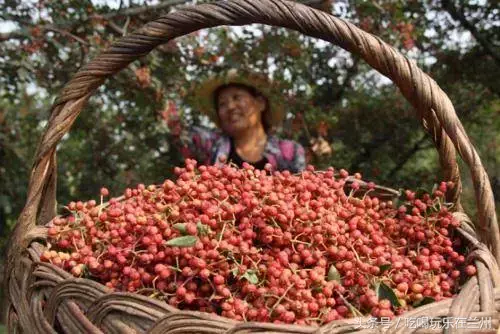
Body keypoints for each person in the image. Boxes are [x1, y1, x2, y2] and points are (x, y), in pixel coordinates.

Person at [169, 69, 306, 173]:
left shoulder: (290, 151)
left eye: (237, 97)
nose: (230, 107)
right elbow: (184, 135)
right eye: (222, 104)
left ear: (260, 103)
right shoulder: (211, 145)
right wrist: (169, 113)